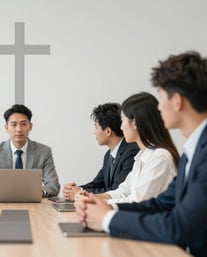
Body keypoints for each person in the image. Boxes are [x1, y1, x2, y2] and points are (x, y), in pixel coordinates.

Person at [75, 51, 207, 257]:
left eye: (161, 98)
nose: (159, 107)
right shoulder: (195, 149)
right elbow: (160, 203)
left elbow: (178, 226)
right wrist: (105, 208)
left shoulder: (198, 152)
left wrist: (107, 218)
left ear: (177, 101)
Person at [77, 92, 179, 204]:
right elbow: (122, 192)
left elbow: (138, 202)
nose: (121, 127)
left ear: (135, 123)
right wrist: (92, 197)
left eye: (122, 120)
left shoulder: (160, 157)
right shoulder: (141, 157)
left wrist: (97, 202)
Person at [0, 104, 60, 198]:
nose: (19, 129)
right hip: (1, 203)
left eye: (23, 124)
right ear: (6, 127)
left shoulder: (44, 152)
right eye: (14, 124)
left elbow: (53, 184)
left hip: (34, 204)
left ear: (30, 126)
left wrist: (39, 192)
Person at [63, 103, 139, 200]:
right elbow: (98, 183)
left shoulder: (131, 151)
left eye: (96, 127)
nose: (94, 132)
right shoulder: (109, 155)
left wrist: (80, 193)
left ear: (108, 131)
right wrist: (76, 189)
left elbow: (117, 190)